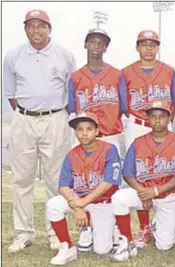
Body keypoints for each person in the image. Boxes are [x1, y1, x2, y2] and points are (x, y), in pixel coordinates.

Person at [3, 9, 75, 252]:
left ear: (49, 28)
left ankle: (57, 233)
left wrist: (50, 113)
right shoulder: (13, 56)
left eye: (41, 26)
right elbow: (11, 95)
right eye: (31, 26)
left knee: (56, 180)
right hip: (24, 118)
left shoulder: (64, 55)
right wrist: (30, 112)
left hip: (56, 118)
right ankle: (23, 233)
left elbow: (70, 92)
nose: (36, 31)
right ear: (25, 29)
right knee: (22, 179)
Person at [121, 29, 175, 248]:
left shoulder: (170, 72)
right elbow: (123, 104)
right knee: (141, 172)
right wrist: (139, 121)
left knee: (168, 171)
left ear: (157, 47)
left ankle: (168, 224)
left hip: (164, 124)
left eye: (153, 44)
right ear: (137, 47)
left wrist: (165, 122)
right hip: (137, 124)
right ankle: (145, 226)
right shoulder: (126, 72)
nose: (148, 48)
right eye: (144, 44)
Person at [110, 100, 175, 261]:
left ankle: (159, 225)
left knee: (164, 245)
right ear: (148, 119)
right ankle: (126, 241)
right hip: (144, 193)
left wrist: (156, 191)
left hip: (168, 196)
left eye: (161, 116)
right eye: (153, 117)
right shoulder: (138, 142)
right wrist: (144, 192)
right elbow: (128, 173)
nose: (157, 120)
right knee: (119, 198)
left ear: (169, 118)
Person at [46, 112, 122, 265]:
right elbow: (63, 186)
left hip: (102, 203)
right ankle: (67, 247)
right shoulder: (72, 154)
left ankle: (112, 227)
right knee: (53, 204)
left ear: (97, 131)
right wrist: (78, 206)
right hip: (80, 201)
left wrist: (82, 202)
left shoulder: (109, 149)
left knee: (102, 250)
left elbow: (109, 182)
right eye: (80, 129)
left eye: (88, 129)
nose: (84, 133)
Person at [69, 28, 127, 151]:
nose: (96, 46)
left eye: (101, 43)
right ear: (85, 45)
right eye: (92, 42)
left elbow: (123, 107)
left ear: (105, 48)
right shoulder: (76, 77)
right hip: (84, 138)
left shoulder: (117, 75)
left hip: (111, 136)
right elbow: (72, 109)